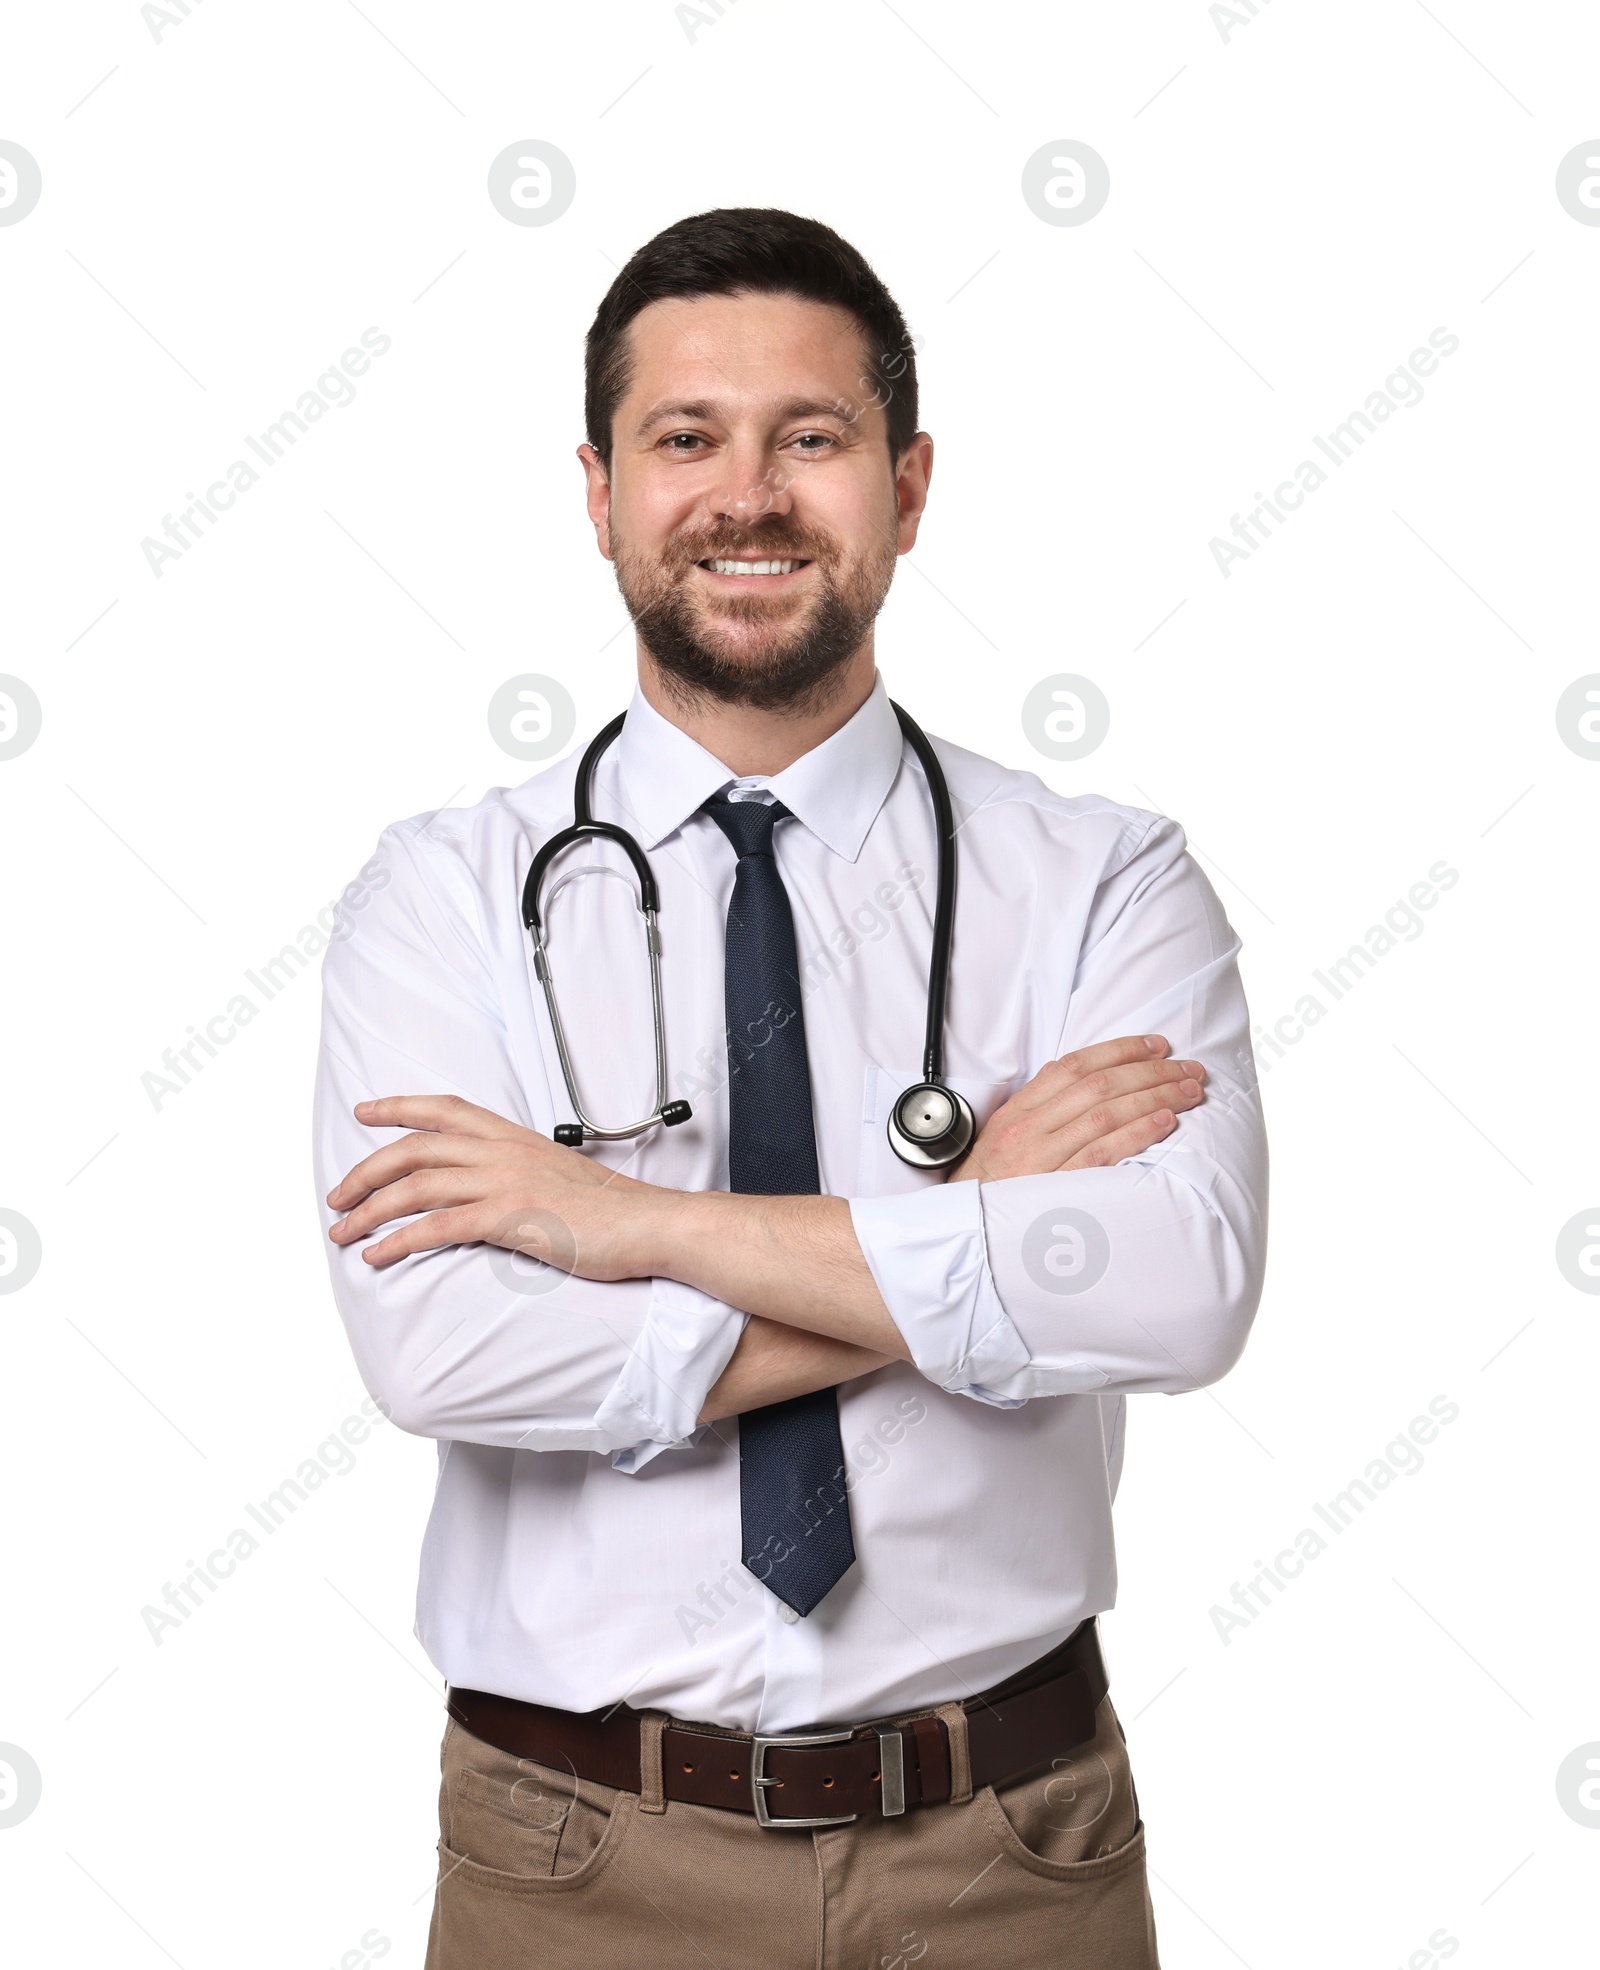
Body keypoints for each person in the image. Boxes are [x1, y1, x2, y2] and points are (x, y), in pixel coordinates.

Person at [314, 206, 1267, 1970]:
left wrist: (623, 1228)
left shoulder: (1106, 879)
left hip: (1014, 1848)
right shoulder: (438, 895)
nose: (746, 494)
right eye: (687, 439)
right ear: (599, 491)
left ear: (907, 491)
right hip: (574, 1860)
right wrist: (969, 1220)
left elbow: (1176, 1287)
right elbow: (441, 1349)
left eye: (809, 440)